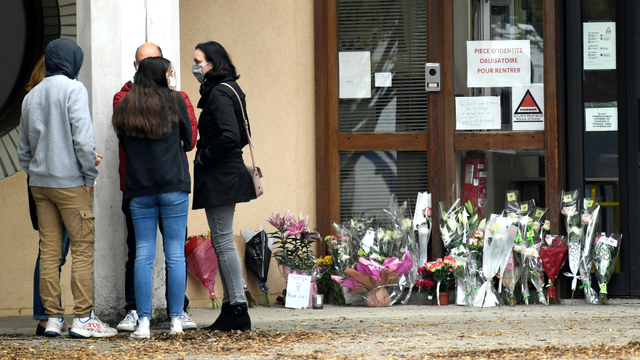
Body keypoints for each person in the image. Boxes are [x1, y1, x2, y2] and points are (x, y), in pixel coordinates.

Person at [17, 38, 116, 338]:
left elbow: (23, 151)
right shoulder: (74, 89)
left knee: (48, 252)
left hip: (40, 184)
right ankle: (84, 318)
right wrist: (89, 176)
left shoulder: (30, 97)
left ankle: (53, 319)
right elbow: (84, 141)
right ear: (72, 61)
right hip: (72, 184)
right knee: (82, 249)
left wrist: (38, 171)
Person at [113, 42, 198, 332]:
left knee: (143, 255)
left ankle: (143, 321)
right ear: (161, 74)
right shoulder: (175, 101)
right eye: (170, 73)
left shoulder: (125, 104)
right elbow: (189, 140)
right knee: (175, 253)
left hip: (139, 188)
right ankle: (176, 320)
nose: (172, 77)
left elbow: (124, 144)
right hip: (173, 184)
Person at [191, 41, 256, 332]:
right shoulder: (229, 89)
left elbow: (231, 136)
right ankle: (231, 309)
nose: (195, 67)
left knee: (222, 240)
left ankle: (238, 308)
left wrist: (205, 156)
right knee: (222, 240)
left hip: (220, 176)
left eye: (198, 61)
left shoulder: (218, 93)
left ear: (212, 63)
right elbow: (243, 134)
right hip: (226, 174)